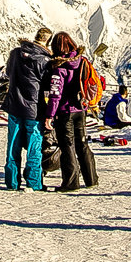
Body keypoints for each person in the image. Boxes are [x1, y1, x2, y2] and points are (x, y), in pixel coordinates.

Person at [42, 32, 98, 192]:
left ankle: (71, 181)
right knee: (82, 144)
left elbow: (55, 94)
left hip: (64, 112)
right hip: (81, 109)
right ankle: (91, 178)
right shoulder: (81, 61)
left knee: (67, 146)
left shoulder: (59, 68)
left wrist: (49, 115)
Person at [2, 27, 52, 191]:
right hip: (34, 109)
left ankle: (12, 181)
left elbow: (8, 73)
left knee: (13, 146)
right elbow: (47, 86)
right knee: (34, 147)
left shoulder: (15, 53)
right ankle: (34, 182)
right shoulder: (44, 60)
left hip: (14, 105)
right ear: (47, 41)